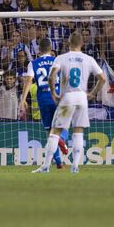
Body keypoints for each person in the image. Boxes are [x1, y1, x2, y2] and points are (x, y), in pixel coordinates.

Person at [32, 33, 106, 173]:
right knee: (78, 132)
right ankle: (75, 167)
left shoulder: (61, 58)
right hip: (81, 99)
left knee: (55, 132)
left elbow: (52, 77)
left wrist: (54, 93)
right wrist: (92, 94)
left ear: (68, 43)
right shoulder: (88, 59)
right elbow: (102, 78)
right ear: (82, 44)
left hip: (67, 99)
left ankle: (46, 166)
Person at [20, 38, 69, 169]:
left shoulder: (33, 63)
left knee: (49, 131)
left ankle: (58, 162)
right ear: (51, 49)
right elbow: (65, 79)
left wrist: (23, 99)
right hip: (57, 97)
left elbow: (29, 81)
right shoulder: (58, 61)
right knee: (65, 124)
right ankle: (61, 138)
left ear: (39, 50)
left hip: (43, 99)